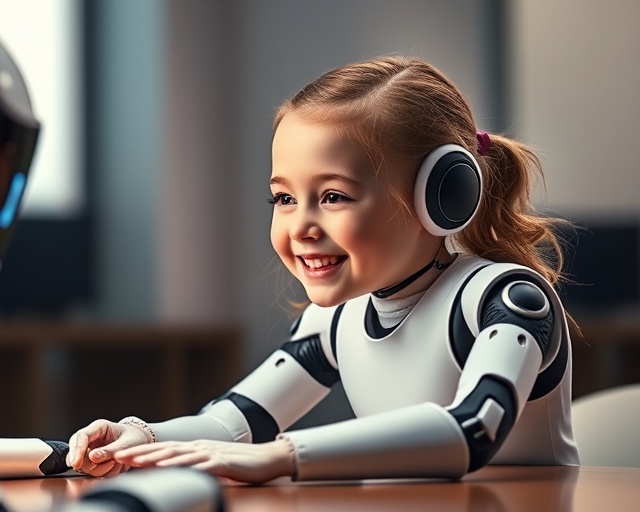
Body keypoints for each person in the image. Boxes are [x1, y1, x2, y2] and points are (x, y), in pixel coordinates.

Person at [66, 56, 581, 483]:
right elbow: (238, 420)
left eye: (333, 196)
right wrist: (144, 437)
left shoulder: (505, 299)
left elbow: (474, 427)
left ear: (444, 196)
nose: (301, 226)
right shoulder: (335, 320)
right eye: (284, 198)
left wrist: (285, 455)